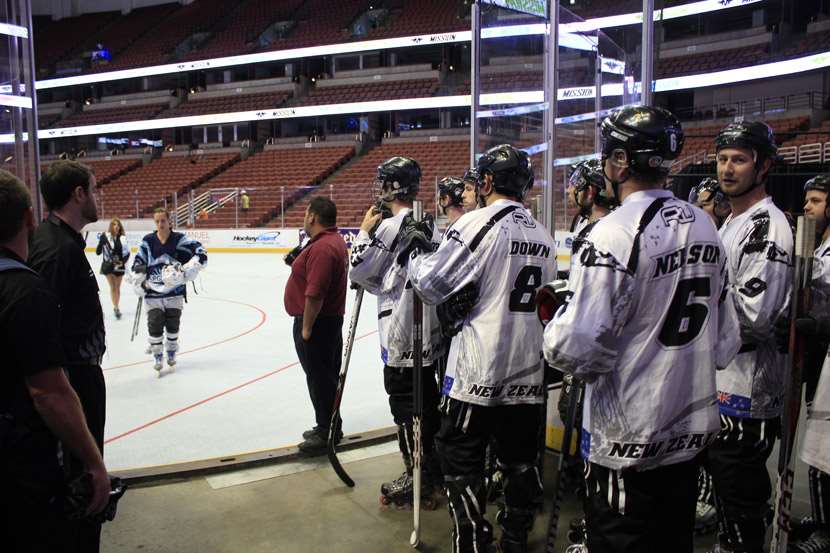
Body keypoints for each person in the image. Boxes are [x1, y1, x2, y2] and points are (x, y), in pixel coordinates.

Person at [543, 106, 740, 553]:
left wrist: (556, 320)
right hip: (688, 439)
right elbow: (725, 345)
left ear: (619, 162)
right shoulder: (707, 226)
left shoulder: (611, 232)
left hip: (627, 441)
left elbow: (572, 350)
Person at [406, 144, 556, 553]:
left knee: (460, 457)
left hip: (478, 371)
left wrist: (418, 252)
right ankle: (516, 537)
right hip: (528, 367)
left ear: (487, 181)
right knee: (519, 460)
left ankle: (472, 540)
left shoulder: (476, 224)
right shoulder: (543, 234)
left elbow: (430, 284)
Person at [706, 121, 793, 553]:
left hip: (746, 398)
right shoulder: (731, 224)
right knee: (727, 511)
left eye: (738, 159)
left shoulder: (768, 226)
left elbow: (756, 318)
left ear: (764, 166)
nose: (727, 169)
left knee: (741, 516)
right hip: (722, 391)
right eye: (722, 159)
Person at [349, 156, 444, 508]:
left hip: (402, 334)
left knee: (405, 407)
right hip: (428, 335)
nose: (380, 189)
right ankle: (432, 475)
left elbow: (359, 272)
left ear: (394, 186)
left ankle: (416, 477)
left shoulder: (388, 227)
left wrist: (363, 231)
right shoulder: (431, 226)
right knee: (427, 404)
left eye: (383, 182)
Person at [27, 160, 108, 552]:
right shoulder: (56, 251)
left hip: (78, 375)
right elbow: (44, 331)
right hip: (73, 380)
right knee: (83, 479)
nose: (99, 196)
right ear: (79, 194)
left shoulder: (59, 242)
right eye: (95, 188)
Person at [283, 197, 348, 455]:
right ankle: (330, 425)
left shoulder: (322, 248)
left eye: (306, 213)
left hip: (318, 323)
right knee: (325, 377)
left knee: (320, 378)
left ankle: (326, 431)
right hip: (327, 322)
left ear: (312, 217)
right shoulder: (327, 243)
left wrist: (306, 328)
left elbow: (315, 293)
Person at [791, 175, 830, 553]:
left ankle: (826, 530)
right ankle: (822, 517)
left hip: (826, 356)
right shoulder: (818, 246)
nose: (808, 207)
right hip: (817, 354)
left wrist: (819, 323)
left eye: (816, 201)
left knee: (824, 446)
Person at [130, 207, 207, 376]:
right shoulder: (148, 241)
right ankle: (158, 355)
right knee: (155, 322)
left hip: (175, 291)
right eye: (157, 221)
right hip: (153, 293)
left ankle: (171, 351)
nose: (160, 224)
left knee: (173, 324)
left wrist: (192, 267)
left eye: (163, 221)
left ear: (169, 221)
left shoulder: (180, 239)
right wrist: (139, 278)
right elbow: (138, 261)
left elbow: (201, 252)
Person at [567, 158, 619, 235]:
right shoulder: (584, 221)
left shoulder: (603, 233)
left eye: (574, 184)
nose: (568, 190)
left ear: (590, 192)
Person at [95, 217, 129, 320]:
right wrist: (101, 241)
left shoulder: (122, 238)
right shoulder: (105, 237)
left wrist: (121, 262)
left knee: (117, 288)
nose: (116, 227)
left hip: (119, 266)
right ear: (111, 226)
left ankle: (116, 306)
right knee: (113, 287)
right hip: (108, 266)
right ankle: (116, 307)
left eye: (118, 225)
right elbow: (98, 252)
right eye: (114, 224)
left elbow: (127, 253)